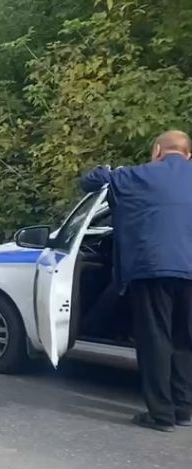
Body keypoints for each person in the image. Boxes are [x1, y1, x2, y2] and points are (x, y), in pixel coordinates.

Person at [80, 130, 192, 432]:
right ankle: (183, 408)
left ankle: (160, 414)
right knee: (185, 340)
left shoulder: (136, 176)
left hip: (153, 269)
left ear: (157, 150)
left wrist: (106, 169)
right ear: (188, 154)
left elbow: (90, 182)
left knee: (156, 340)